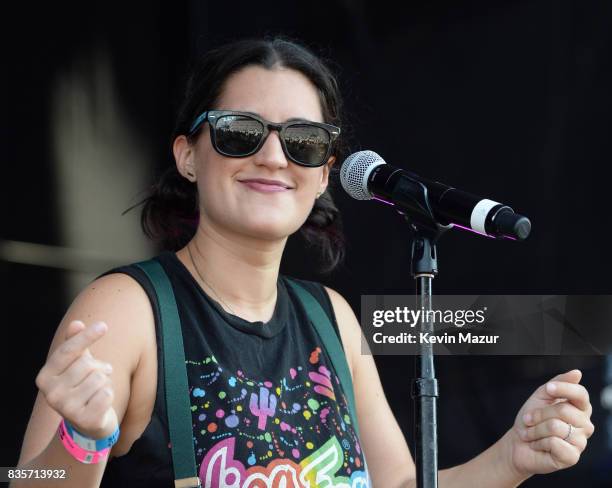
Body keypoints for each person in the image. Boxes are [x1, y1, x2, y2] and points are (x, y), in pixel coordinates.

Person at [14, 37, 594, 488]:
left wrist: (513, 457)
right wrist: (80, 440)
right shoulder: (127, 308)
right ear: (187, 156)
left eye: (304, 141)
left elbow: (392, 483)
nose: (272, 156)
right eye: (240, 132)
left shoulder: (331, 319)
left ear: (323, 173)